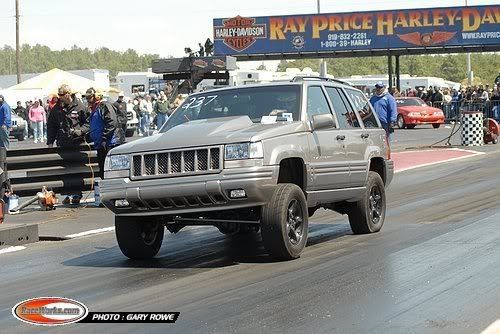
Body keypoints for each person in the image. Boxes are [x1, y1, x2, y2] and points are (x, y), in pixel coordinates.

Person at [85, 88, 124, 179]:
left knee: (110, 172)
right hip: (101, 144)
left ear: (96, 97)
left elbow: (111, 123)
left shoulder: (104, 105)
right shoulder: (95, 108)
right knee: (102, 172)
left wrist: (104, 138)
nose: (87, 100)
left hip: (109, 144)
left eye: (89, 98)